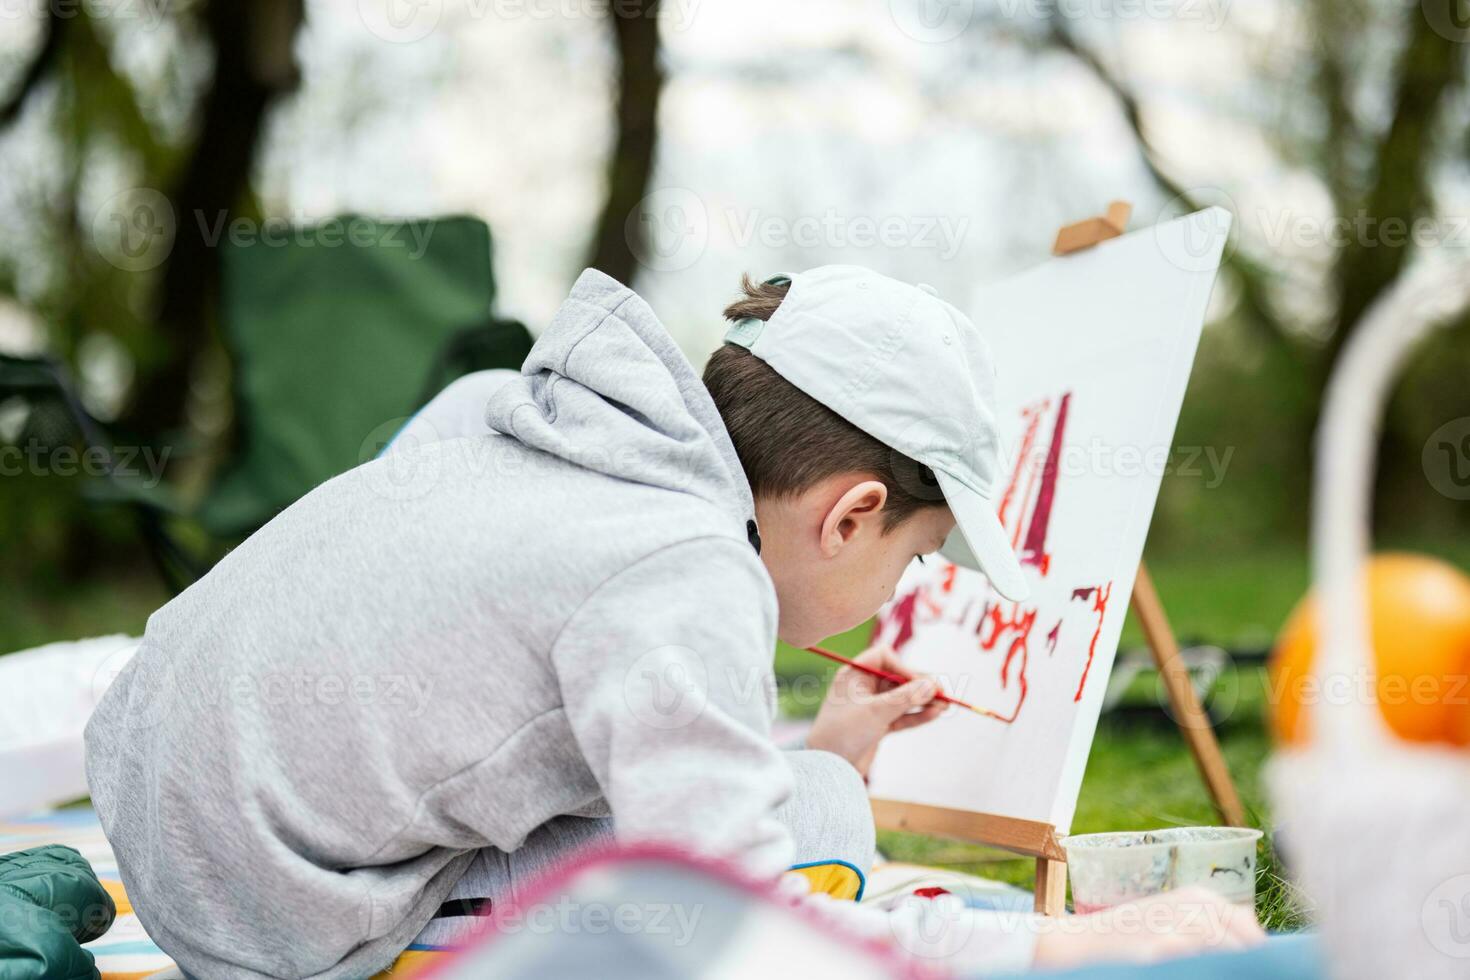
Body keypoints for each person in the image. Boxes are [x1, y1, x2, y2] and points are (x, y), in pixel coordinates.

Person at [85, 267, 1261, 978]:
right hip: (270, 923)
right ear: (852, 515)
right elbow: (738, 926)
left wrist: (826, 761)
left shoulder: (544, 426)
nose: (906, 597)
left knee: (816, 804)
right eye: (915, 560)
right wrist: (1062, 946)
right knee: (808, 870)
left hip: (166, 795)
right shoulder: (681, 567)